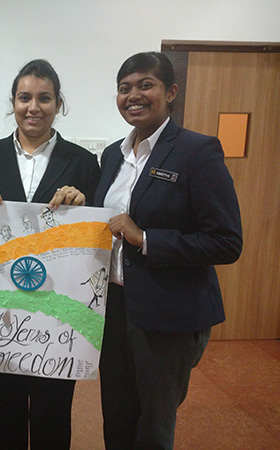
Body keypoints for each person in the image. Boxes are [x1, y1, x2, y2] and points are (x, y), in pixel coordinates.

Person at [94, 52, 242, 450]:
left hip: (168, 314)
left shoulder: (197, 151)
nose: (133, 96)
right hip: (114, 309)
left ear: (171, 92)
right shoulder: (112, 155)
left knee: (153, 425)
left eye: (146, 85)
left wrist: (146, 238)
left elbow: (227, 241)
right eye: (124, 88)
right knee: (116, 415)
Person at [0, 59, 101, 450]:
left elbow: (99, 235)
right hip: (1, 309)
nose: (33, 107)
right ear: (13, 103)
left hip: (59, 312)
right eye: (25, 98)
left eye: (44, 98)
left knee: (52, 411)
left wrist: (85, 204)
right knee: (5, 407)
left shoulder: (83, 162)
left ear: (59, 104)